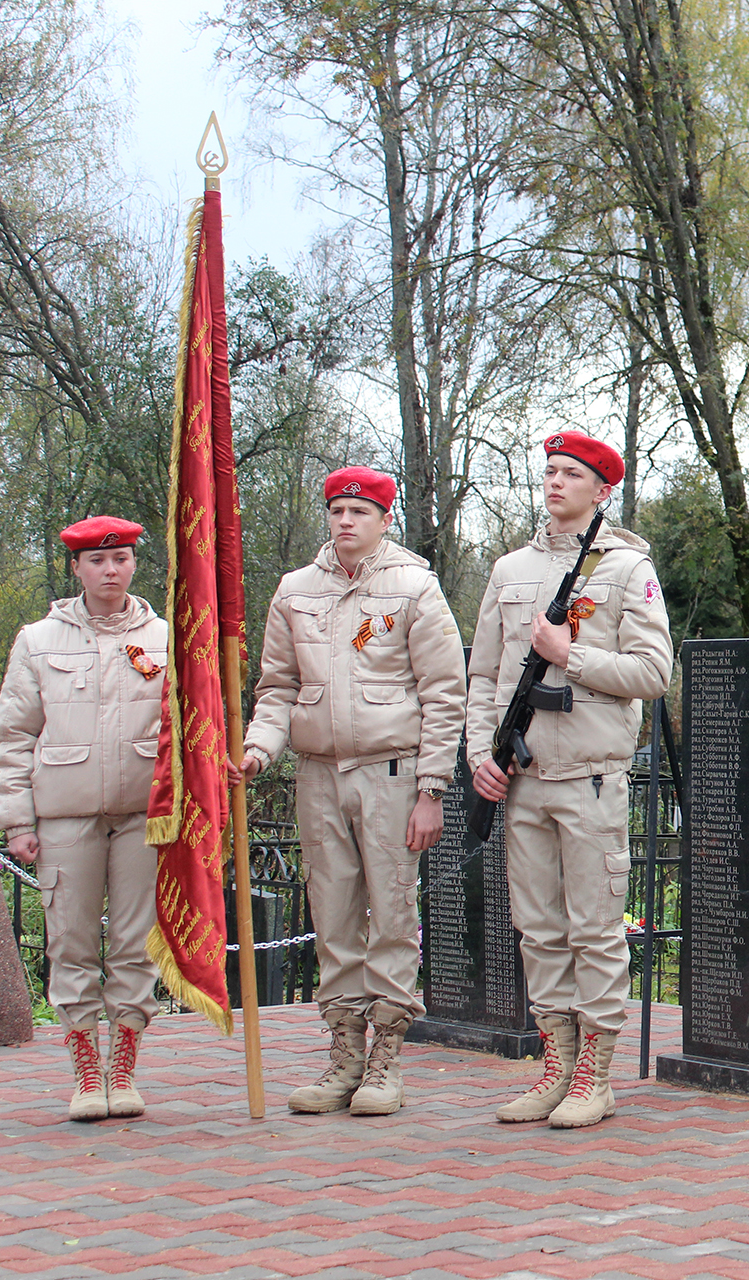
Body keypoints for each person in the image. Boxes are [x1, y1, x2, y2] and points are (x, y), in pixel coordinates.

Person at [236, 467, 466, 1116]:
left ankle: (386, 1058)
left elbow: (445, 694)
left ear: (385, 520)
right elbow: (277, 687)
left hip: (391, 773)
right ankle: (343, 1054)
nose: (346, 522)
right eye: (337, 510)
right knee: (332, 918)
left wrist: (432, 789)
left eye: (360, 512)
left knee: (391, 916)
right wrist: (259, 748)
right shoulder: (294, 591)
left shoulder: (415, 588)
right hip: (318, 773)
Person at [468, 431, 671, 1129]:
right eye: (548, 471)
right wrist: (480, 756)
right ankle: (555, 1065)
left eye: (570, 474)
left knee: (592, 929)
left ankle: (596, 1075)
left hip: (589, 780)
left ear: (601, 490)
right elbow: (484, 677)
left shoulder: (626, 569)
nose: (554, 483)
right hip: (522, 778)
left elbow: (652, 673)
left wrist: (571, 654)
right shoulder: (509, 569)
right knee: (538, 930)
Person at [0, 517, 169, 1121]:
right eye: (97, 561)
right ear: (76, 568)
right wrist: (16, 820)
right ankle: (84, 1068)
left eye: (120, 558)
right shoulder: (38, 641)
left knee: (133, 943)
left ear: (134, 563)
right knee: (69, 941)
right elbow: (12, 737)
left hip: (143, 813)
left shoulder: (166, 638)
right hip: (64, 813)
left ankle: (123, 1063)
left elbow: (189, 731)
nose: (109, 570)